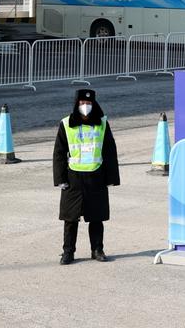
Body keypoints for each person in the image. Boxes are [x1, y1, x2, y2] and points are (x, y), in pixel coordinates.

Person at [53, 88, 119, 265]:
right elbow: (59, 153)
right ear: (76, 104)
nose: (85, 106)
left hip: (96, 175)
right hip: (73, 176)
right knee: (70, 218)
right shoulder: (66, 124)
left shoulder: (102, 123)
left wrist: (111, 177)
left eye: (88, 103)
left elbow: (109, 150)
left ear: (94, 104)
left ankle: (97, 249)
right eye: (82, 103)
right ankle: (68, 252)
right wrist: (60, 179)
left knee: (96, 217)